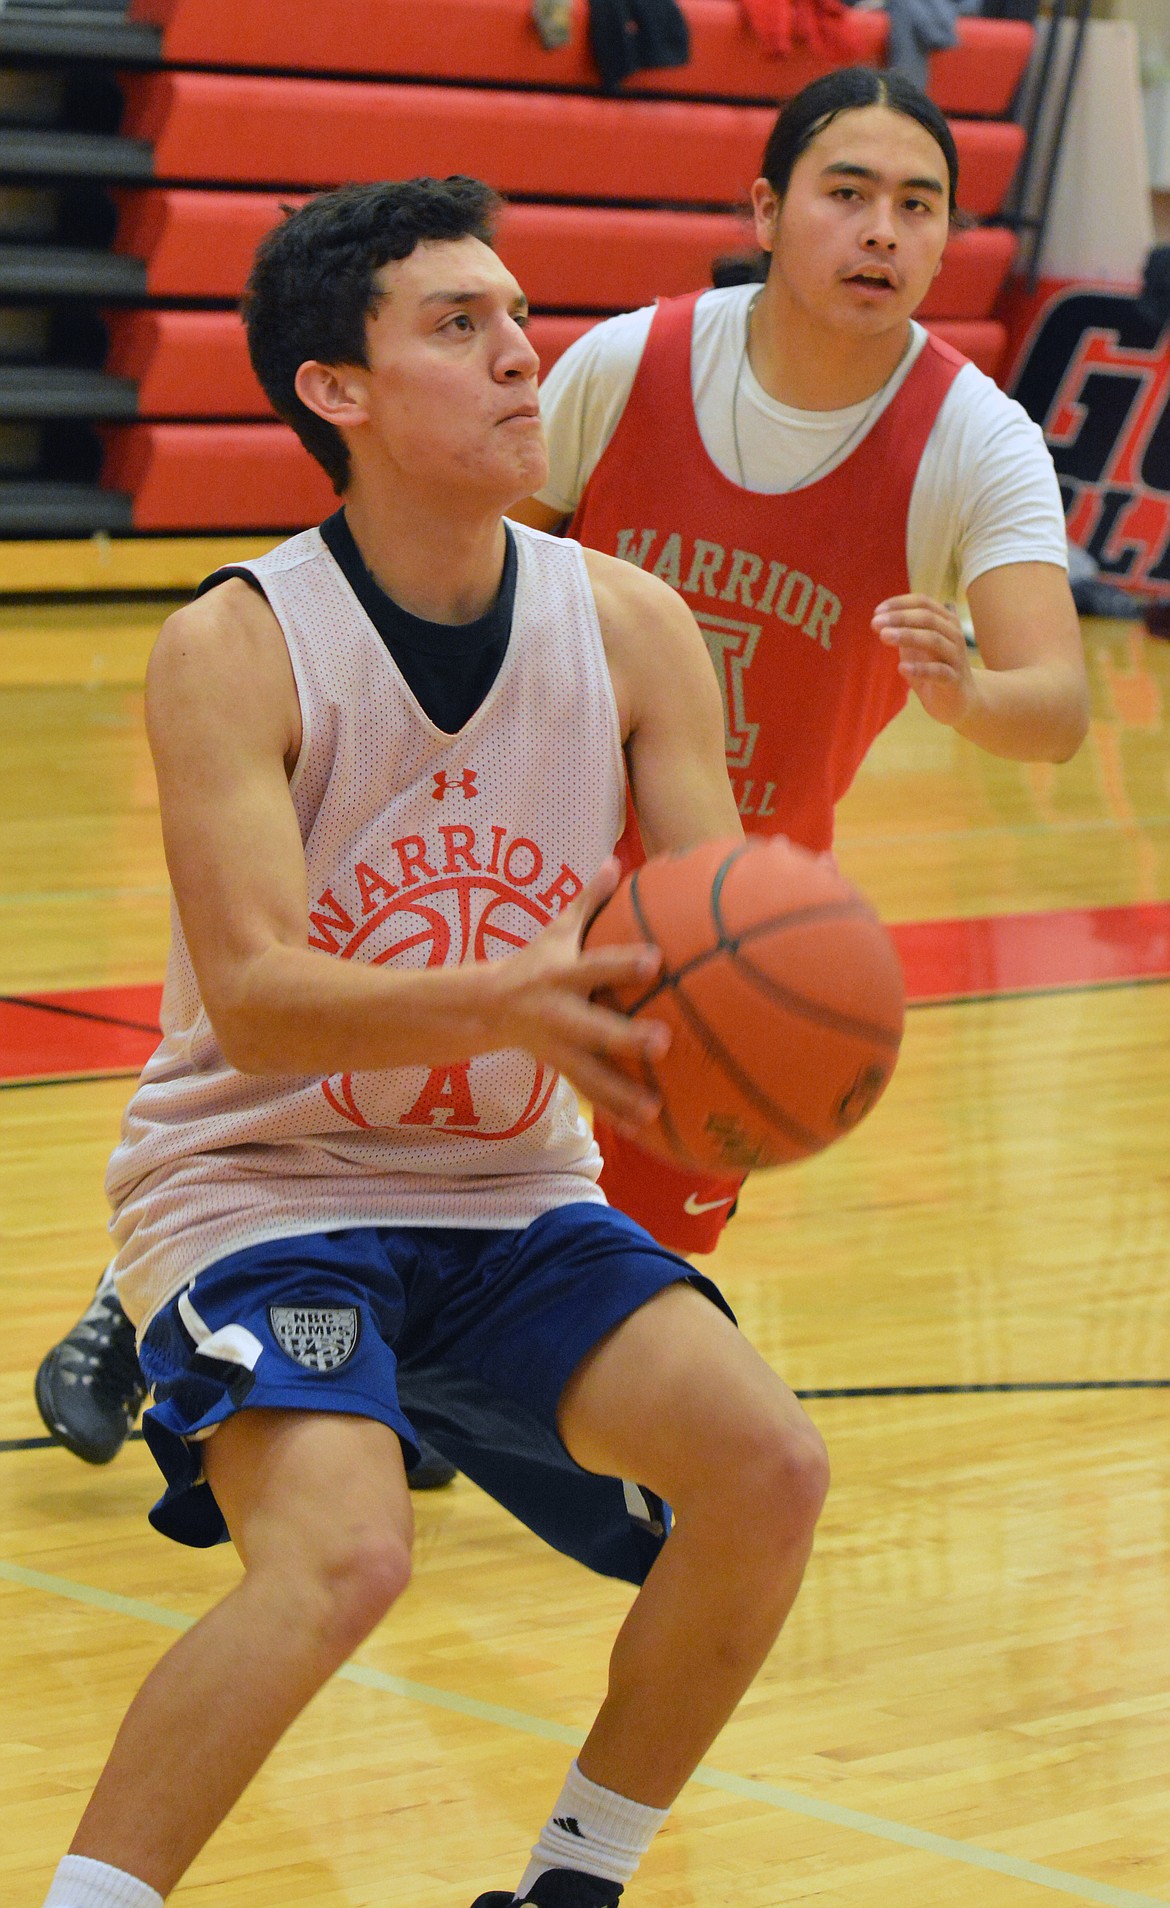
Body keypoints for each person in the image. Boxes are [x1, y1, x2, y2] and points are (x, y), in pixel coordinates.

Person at [41, 177, 830, 1908]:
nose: (519, 352)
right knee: (342, 1559)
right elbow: (252, 990)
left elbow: (706, 918)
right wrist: (519, 991)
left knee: (770, 1469)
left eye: (518, 313)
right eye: (457, 325)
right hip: (261, 1186)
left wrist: (754, 1025)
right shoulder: (234, 644)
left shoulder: (627, 628)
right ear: (338, 387)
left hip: (508, 1187)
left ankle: (569, 1885)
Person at [511, 63, 1091, 1256]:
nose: (883, 231)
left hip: (734, 913)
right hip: (525, 846)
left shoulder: (981, 440)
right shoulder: (626, 365)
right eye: (848, 192)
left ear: (943, 241)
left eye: (920, 205)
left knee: (636, 1267)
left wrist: (973, 693)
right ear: (767, 212)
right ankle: (152, 1293)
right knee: (359, 1133)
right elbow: (471, 584)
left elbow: (1059, 707)